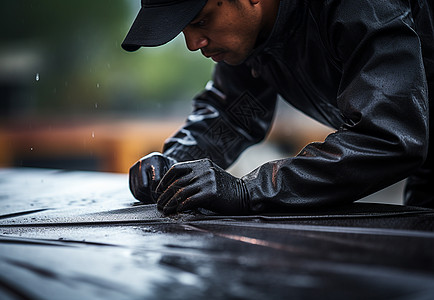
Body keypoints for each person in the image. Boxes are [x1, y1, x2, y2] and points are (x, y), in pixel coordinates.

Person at [122, 0, 433, 215]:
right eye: (183, 29)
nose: (192, 43)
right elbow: (234, 114)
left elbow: (388, 137)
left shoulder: (359, 5)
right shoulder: (250, 36)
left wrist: (247, 191)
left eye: (201, 20)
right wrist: (174, 165)